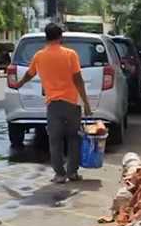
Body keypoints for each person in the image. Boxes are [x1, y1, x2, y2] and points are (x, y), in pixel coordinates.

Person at [14, 23, 92, 184]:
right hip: (71, 103)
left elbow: (29, 74)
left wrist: (19, 84)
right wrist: (86, 102)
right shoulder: (70, 54)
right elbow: (78, 79)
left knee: (55, 140)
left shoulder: (39, 56)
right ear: (60, 37)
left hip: (53, 105)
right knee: (73, 138)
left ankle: (59, 174)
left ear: (46, 37)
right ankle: (72, 173)